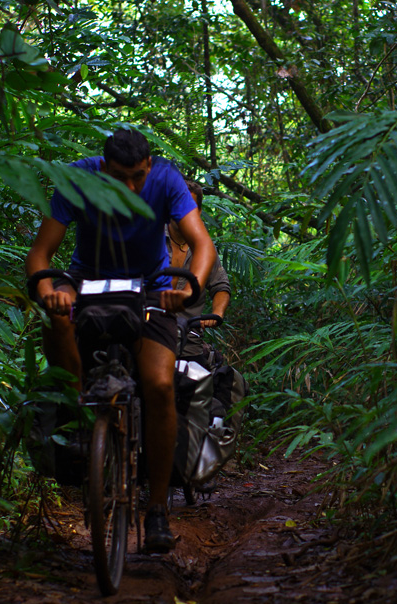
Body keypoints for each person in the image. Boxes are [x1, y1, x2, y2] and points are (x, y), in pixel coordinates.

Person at [25, 128, 217, 553]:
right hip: (86, 281)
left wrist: (188, 291)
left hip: (149, 288)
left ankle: (157, 510)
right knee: (56, 318)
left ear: (149, 165)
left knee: (160, 385)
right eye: (118, 177)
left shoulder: (166, 179)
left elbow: (202, 244)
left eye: (137, 177)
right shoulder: (78, 179)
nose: (129, 187)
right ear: (102, 166)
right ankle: (76, 414)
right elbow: (41, 253)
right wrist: (49, 292)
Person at [168, 179, 231, 365]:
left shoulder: (204, 247)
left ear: (199, 212)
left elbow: (220, 285)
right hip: (148, 336)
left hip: (188, 342)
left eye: (189, 208)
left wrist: (217, 313)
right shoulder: (152, 238)